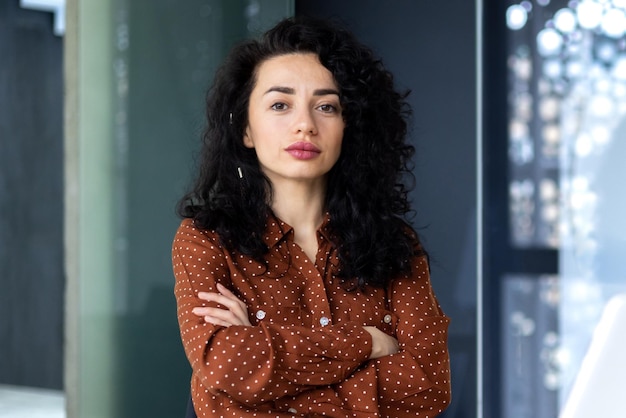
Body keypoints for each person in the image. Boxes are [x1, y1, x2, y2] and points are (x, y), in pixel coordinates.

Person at [172, 16, 451, 418]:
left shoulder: (395, 242)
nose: (305, 124)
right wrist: (367, 343)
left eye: (326, 106)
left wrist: (264, 359)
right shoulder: (206, 240)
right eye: (280, 104)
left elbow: (428, 387)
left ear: (347, 126)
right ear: (246, 130)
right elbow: (225, 366)